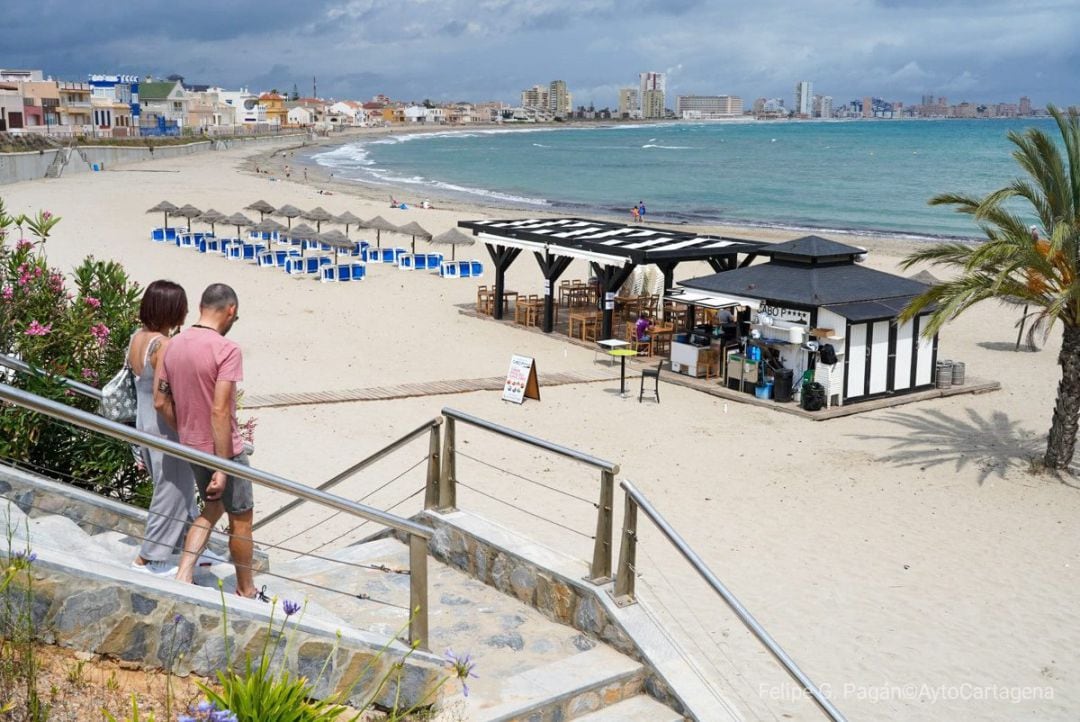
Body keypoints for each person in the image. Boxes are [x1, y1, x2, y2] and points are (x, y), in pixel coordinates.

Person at [156, 283, 264, 600]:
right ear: (230, 311)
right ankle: (246, 589)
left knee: (212, 507)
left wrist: (189, 432)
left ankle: (183, 573)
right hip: (224, 450)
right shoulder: (226, 350)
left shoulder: (172, 345)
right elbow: (219, 410)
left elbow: (161, 402)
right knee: (241, 519)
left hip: (190, 445)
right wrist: (222, 465)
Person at [129, 280, 199, 576]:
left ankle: (194, 548)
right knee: (172, 489)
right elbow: (162, 399)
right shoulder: (164, 345)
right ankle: (149, 558)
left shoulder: (138, 338)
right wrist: (183, 430)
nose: (185, 312)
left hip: (142, 423)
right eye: (182, 307)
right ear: (172, 310)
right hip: (162, 426)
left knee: (175, 487)